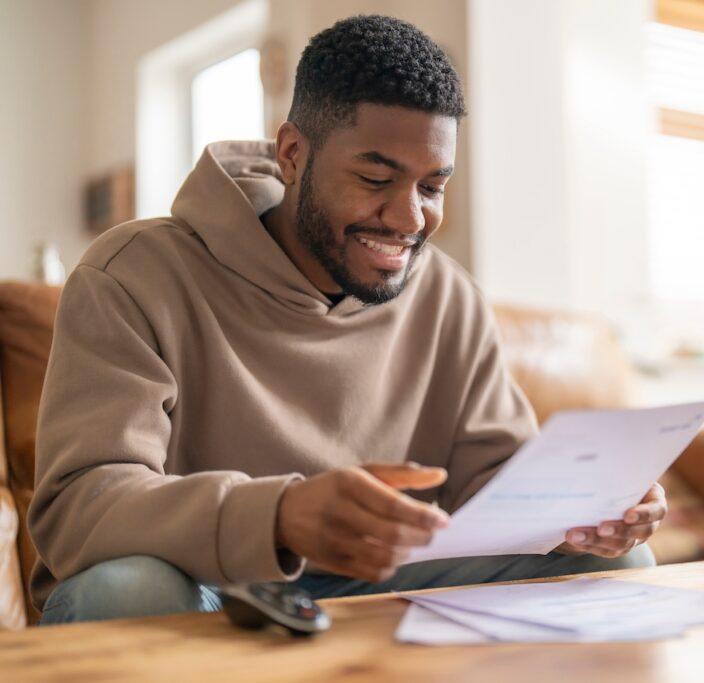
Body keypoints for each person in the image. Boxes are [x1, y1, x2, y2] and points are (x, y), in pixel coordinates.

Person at [29, 15, 663, 625]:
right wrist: (276, 516)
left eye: (432, 187)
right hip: (207, 584)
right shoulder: (133, 274)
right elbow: (80, 505)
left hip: (377, 578)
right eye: (374, 177)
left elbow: (496, 488)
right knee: (128, 588)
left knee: (615, 559)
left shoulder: (449, 297)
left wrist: (586, 510)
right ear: (294, 154)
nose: (410, 218)